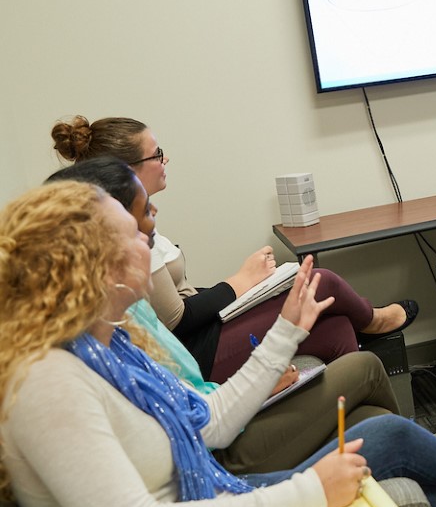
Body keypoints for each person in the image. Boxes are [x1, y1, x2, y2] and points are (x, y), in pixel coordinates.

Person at [0, 181, 436, 507]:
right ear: (91, 267)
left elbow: (210, 424)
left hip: (205, 495)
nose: (150, 251)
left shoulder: (105, 345)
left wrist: (284, 334)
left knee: (394, 437)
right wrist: (308, 495)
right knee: (391, 436)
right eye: (134, 238)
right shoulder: (48, 383)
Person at [47, 156, 404, 475]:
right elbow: (204, 429)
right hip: (219, 458)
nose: (150, 243)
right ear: (99, 249)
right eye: (141, 234)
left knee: (379, 422)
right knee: (362, 361)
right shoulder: (89, 360)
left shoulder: (119, 328)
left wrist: (271, 365)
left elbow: (195, 406)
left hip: (216, 428)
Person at [50, 115, 418, 383]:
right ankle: (374, 320)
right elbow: (176, 319)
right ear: (127, 169)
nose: (164, 160)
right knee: (318, 281)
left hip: (204, 331)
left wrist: (249, 289)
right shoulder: (123, 230)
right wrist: (241, 282)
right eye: (156, 153)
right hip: (195, 351)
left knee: (335, 324)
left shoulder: (140, 217)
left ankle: (359, 437)